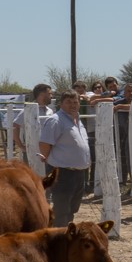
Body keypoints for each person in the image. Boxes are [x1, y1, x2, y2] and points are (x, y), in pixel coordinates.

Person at [39, 90, 92, 226]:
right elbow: (45, 144)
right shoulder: (56, 121)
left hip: (79, 172)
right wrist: (48, 162)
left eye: (75, 102)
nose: (73, 105)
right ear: (61, 104)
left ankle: (66, 235)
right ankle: (58, 237)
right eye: (68, 102)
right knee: (61, 208)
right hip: (62, 172)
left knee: (72, 208)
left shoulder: (78, 121)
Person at [12, 84, 54, 157]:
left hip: (48, 151)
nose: (51, 96)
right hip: (33, 153)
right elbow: (15, 126)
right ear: (42, 95)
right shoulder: (28, 110)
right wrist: (21, 146)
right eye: (49, 94)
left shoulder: (50, 111)